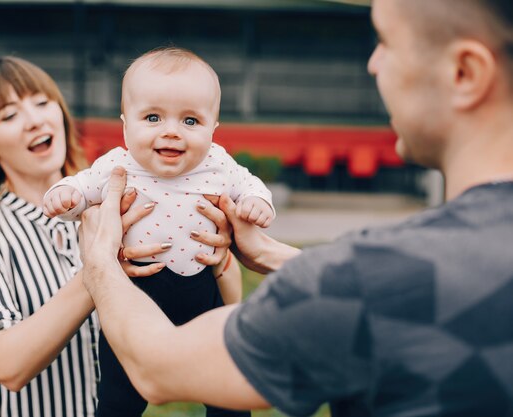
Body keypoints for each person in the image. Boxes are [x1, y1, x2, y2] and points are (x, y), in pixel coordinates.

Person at [77, 0, 513, 416]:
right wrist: (264, 252)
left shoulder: (366, 281)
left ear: (464, 72)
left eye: (387, 43)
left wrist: (99, 259)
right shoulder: (375, 281)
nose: (373, 63)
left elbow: (158, 369)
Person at [0, 56, 238, 417]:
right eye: (9, 115)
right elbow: (7, 365)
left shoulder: (123, 199)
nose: (34, 120)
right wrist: (99, 268)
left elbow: (225, 305)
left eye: (41, 102)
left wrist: (217, 256)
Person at [44, 47, 268, 417]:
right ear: (125, 125)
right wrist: (64, 195)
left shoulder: (218, 163)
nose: (171, 132)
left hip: (202, 291)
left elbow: (251, 186)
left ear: (213, 128)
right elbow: (81, 189)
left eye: (190, 122)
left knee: (228, 392)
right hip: (136, 296)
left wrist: (257, 203)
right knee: (119, 395)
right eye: (152, 117)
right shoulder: (118, 165)